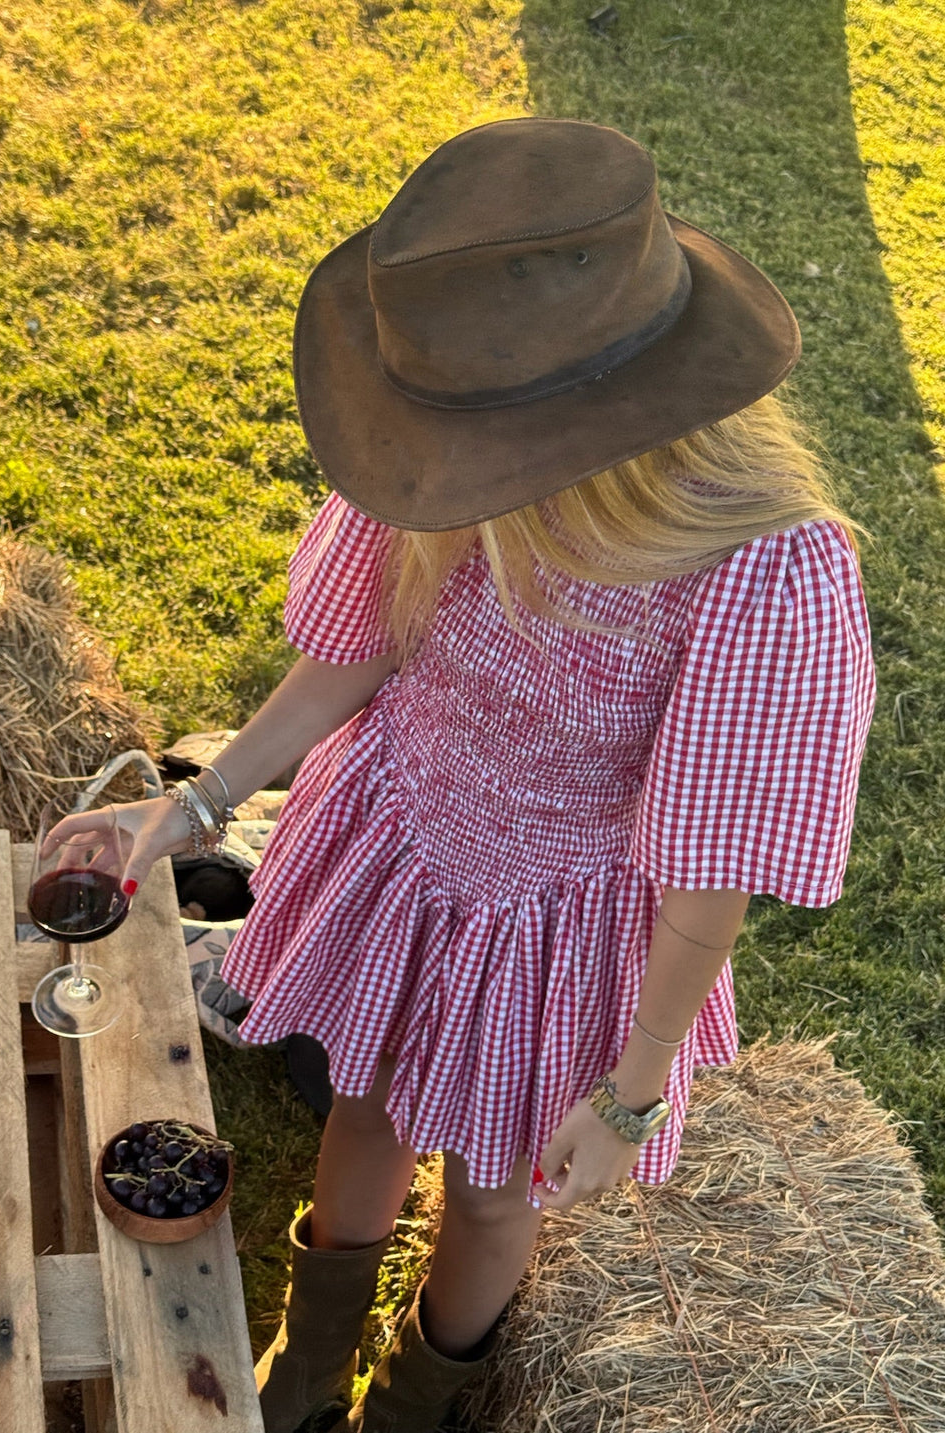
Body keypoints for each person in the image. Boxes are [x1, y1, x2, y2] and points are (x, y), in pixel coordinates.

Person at [64, 119, 876, 1433]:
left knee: (496, 1194)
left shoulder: (762, 570)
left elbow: (706, 869)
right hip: (402, 849)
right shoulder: (447, 464)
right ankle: (307, 1367)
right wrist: (192, 806)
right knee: (368, 1101)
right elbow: (354, 655)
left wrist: (633, 1088)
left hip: (552, 925)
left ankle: (409, 1407)